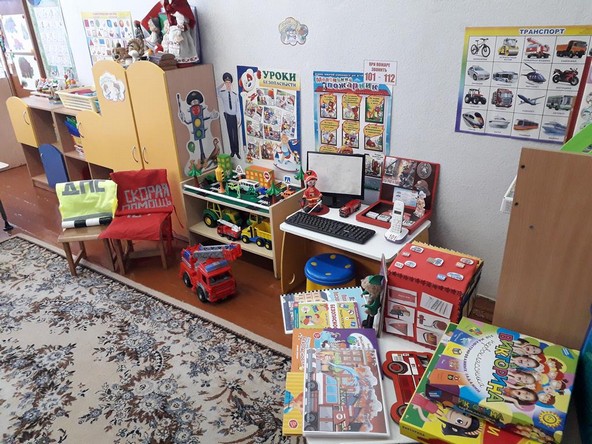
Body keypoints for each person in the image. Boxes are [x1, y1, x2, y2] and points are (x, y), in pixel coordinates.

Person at [217, 73, 241, 159]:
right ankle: (232, 151)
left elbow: (238, 108)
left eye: (229, 83)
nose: (228, 84)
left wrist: (239, 118)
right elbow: (216, 91)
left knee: (235, 134)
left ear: (231, 83)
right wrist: (222, 84)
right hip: (228, 116)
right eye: (226, 83)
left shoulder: (235, 95)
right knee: (230, 133)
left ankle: (237, 151)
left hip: (234, 116)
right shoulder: (223, 93)